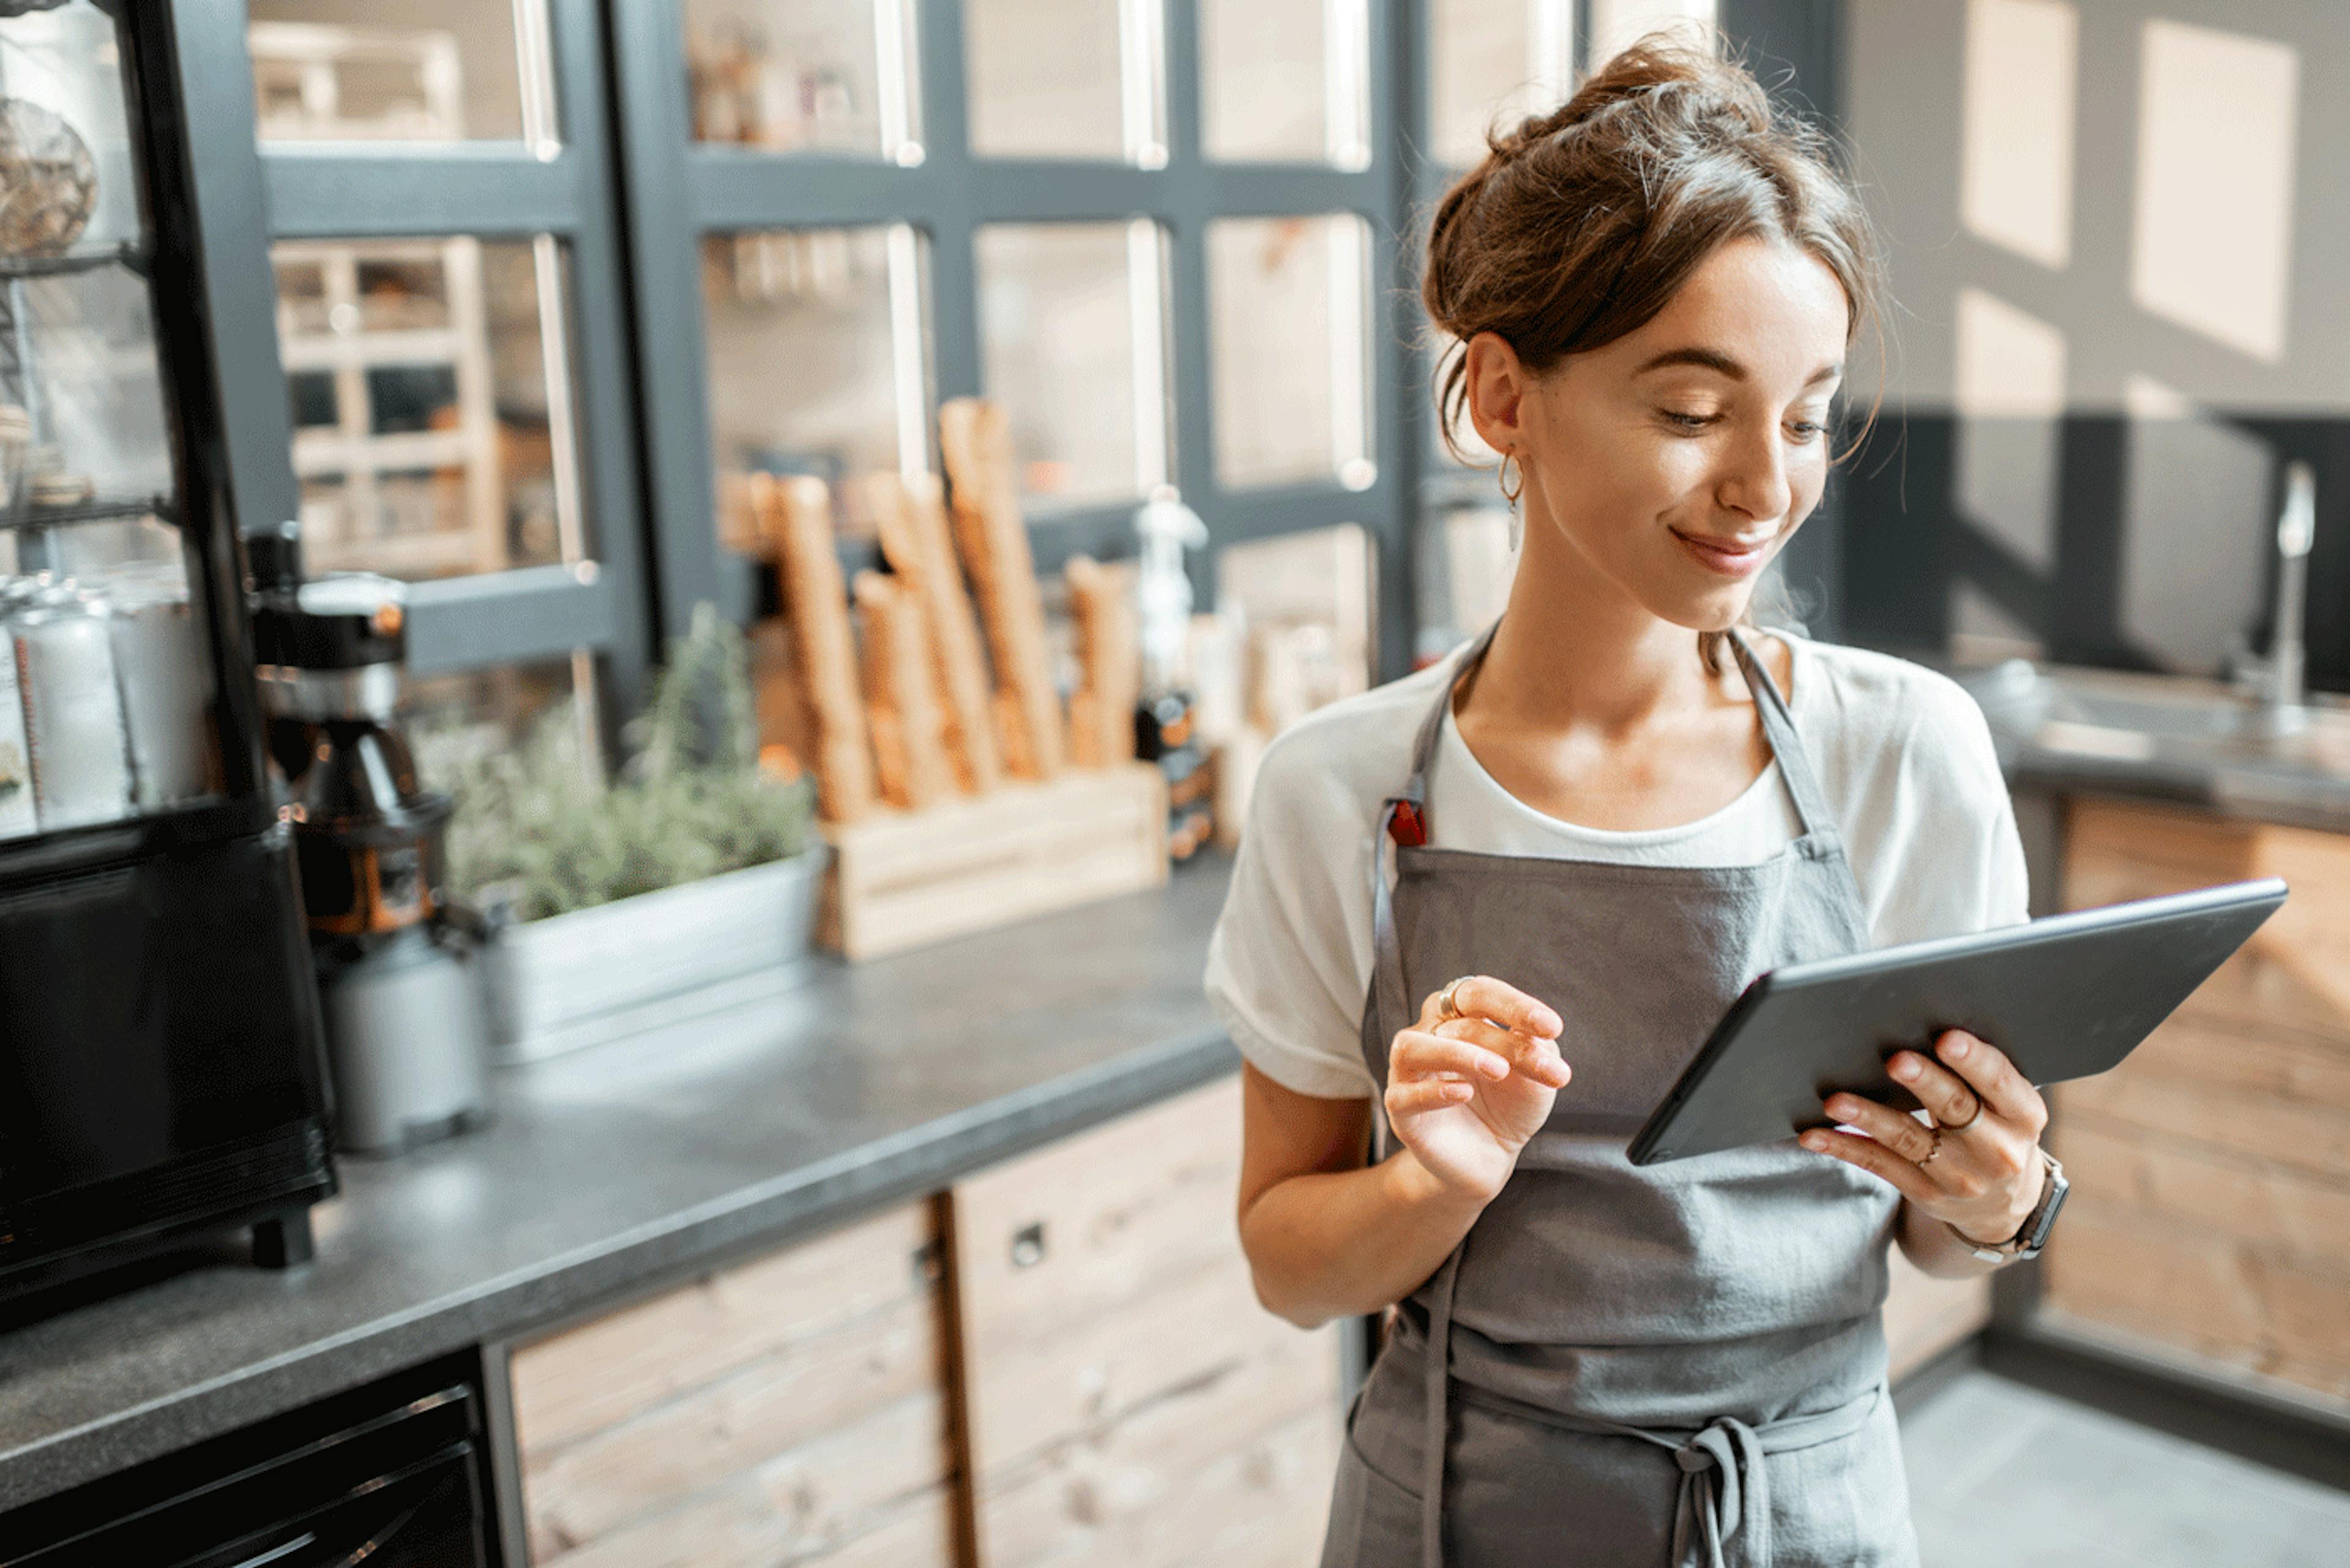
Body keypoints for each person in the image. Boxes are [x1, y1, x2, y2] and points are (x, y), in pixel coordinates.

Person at [1206, 36, 2056, 1568]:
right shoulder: (1343, 788)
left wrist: (2002, 1197)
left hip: (1812, 1511)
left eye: (1802, 417)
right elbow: (1290, 1261)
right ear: (1505, 395)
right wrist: (1433, 1182)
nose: (1763, 484)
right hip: (1460, 1513)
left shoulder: (1903, 752)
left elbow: (1938, 1238)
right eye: (1689, 408)